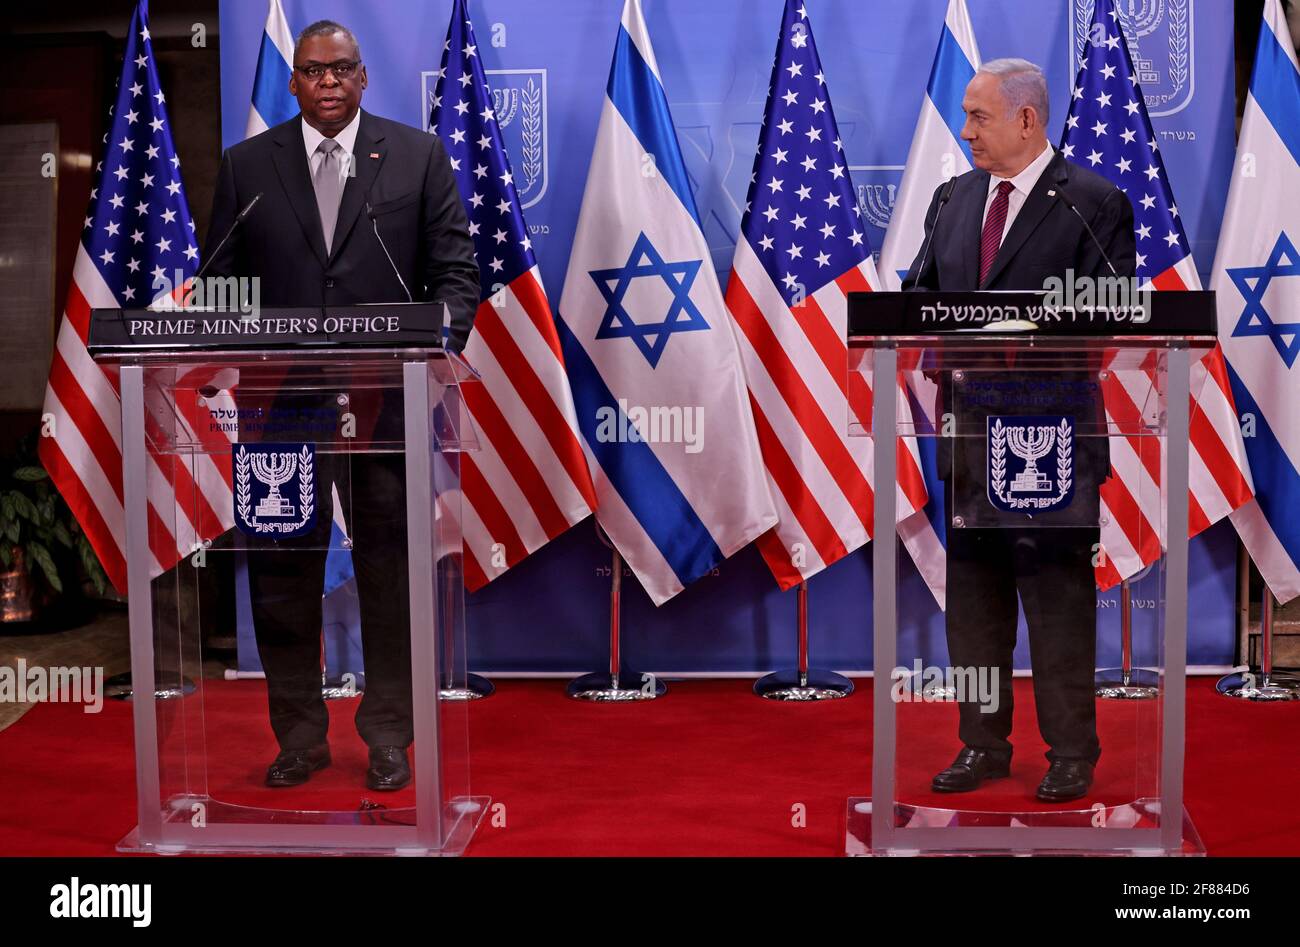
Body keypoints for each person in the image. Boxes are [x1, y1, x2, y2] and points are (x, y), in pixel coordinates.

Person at [203, 19, 479, 790]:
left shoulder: (418, 158)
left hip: (383, 400)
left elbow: (456, 274)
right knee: (282, 573)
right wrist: (203, 314)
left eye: (342, 70)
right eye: (313, 71)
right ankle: (299, 736)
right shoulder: (248, 164)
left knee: (388, 571)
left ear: (364, 80)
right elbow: (224, 280)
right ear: (293, 82)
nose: (327, 82)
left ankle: (389, 734)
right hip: (277, 408)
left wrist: (439, 334)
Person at [902, 59, 1136, 802]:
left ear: (1027, 120)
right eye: (966, 117)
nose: (966, 130)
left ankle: (1071, 750)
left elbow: (1107, 312)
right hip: (969, 434)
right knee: (974, 605)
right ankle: (983, 743)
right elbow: (916, 303)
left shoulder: (1092, 202)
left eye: (979, 116)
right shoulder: (953, 197)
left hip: (1052, 440)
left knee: (1058, 600)